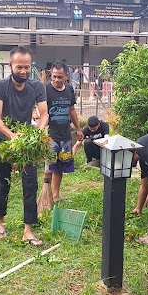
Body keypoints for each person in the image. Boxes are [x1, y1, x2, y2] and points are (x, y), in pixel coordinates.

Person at [0, 46, 49, 246]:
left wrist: (38, 133)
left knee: (30, 183)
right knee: (2, 181)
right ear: (10, 66)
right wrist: (12, 136)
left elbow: (44, 114)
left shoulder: (37, 86)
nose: (23, 71)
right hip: (2, 140)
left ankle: (28, 230)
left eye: (27, 67)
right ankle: (0, 222)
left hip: (26, 142)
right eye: (19, 67)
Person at [46, 61, 83, 202]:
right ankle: (46, 194)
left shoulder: (69, 89)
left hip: (65, 135)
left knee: (60, 166)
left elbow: (72, 110)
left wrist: (78, 129)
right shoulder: (46, 89)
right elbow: (40, 110)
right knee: (49, 166)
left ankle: (55, 195)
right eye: (54, 76)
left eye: (60, 77)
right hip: (50, 136)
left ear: (66, 76)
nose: (56, 79)